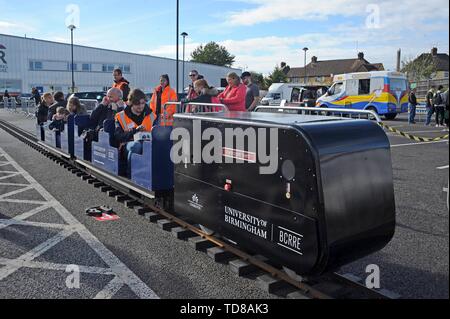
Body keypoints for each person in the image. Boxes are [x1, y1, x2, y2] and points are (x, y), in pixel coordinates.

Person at [115, 89, 155, 177]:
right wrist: (135, 130)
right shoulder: (121, 116)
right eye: (137, 104)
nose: (141, 106)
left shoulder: (152, 115)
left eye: (143, 103)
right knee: (137, 146)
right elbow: (119, 136)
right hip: (128, 145)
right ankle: (131, 175)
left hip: (149, 144)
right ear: (131, 103)